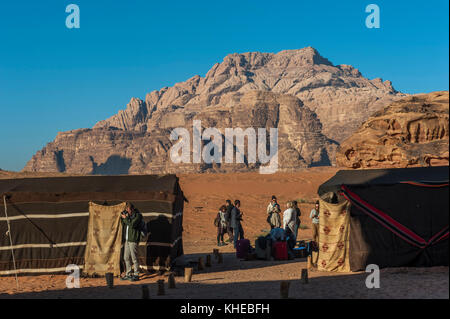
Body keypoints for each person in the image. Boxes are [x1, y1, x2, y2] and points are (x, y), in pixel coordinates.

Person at [120, 202, 143, 281]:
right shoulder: (128, 216)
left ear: (132, 209)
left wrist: (126, 218)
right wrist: (123, 217)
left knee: (134, 258)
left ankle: (136, 274)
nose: (128, 211)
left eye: (129, 210)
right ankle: (128, 273)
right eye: (127, 210)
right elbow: (123, 223)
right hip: (127, 240)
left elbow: (132, 225)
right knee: (126, 257)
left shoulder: (138, 216)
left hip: (133, 239)